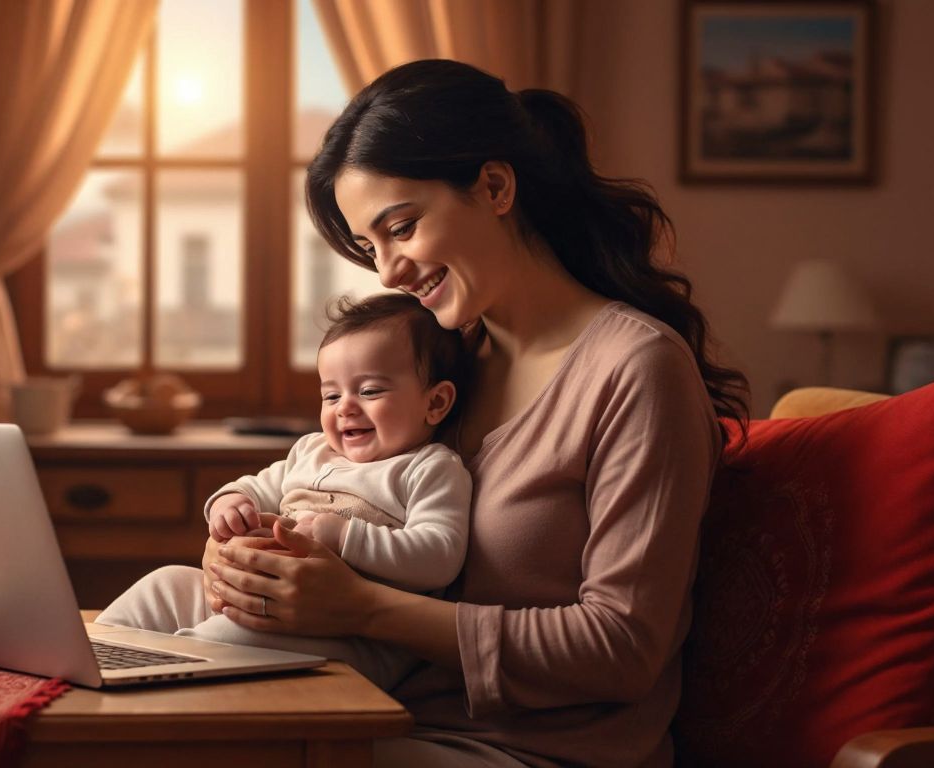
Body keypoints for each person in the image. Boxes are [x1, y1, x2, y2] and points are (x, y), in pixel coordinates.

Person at [199, 59, 749, 768]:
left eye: (402, 227)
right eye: (370, 247)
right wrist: (239, 559)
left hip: (531, 753)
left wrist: (362, 610)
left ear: (494, 186)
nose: (388, 271)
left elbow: (622, 651)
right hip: (371, 718)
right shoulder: (438, 369)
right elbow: (335, 503)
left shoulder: (635, 369)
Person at [97, 292, 475, 690]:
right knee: (167, 582)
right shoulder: (311, 451)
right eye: (331, 395)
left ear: (436, 402)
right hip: (263, 600)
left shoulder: (430, 468)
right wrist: (231, 503)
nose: (344, 407)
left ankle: (159, 689)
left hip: (356, 640)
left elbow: (440, 555)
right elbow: (254, 486)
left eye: (369, 391)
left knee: (227, 639)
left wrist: (344, 536)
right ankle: (98, 656)